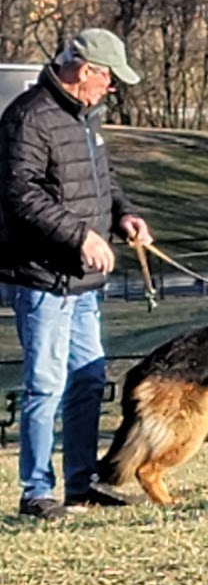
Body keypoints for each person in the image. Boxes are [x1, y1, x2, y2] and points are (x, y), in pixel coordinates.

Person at [0, 29, 152, 519]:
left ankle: (82, 482)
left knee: (88, 378)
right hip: (43, 278)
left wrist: (124, 215)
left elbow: (103, 181)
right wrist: (81, 237)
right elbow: (21, 196)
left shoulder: (88, 119)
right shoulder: (28, 119)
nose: (112, 91)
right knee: (45, 383)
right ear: (87, 71)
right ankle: (36, 492)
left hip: (84, 282)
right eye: (109, 80)